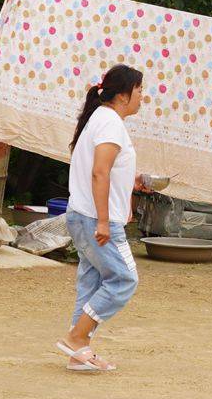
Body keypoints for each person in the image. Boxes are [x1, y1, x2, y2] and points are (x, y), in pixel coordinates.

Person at [54, 65, 144, 375]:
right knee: (124, 279)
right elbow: (99, 172)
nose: (142, 97)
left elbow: (108, 171)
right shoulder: (109, 123)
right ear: (123, 95)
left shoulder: (102, 120)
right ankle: (76, 336)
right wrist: (105, 222)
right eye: (139, 90)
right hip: (94, 220)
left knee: (91, 282)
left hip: (82, 215)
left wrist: (131, 188)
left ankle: (78, 352)